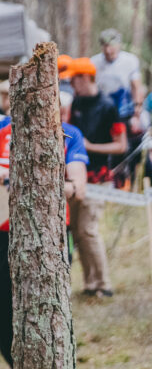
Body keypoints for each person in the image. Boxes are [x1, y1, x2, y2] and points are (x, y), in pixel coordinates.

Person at [0, 91, 89, 369]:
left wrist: (33, 182)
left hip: (52, 238)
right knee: (6, 326)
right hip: (8, 235)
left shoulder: (69, 133)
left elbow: (78, 188)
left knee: (49, 319)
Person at [67, 57, 127, 297]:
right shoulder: (76, 103)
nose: (72, 85)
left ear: (85, 78)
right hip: (76, 177)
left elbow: (120, 145)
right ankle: (90, 283)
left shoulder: (108, 106)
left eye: (74, 80)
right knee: (77, 232)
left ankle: (104, 283)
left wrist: (90, 146)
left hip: (98, 178)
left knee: (88, 230)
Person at [91, 28, 146, 187]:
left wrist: (137, 112)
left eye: (112, 46)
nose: (109, 50)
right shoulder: (94, 62)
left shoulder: (130, 61)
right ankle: (103, 178)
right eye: (105, 46)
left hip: (124, 112)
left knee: (125, 147)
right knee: (104, 143)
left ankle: (125, 181)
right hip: (103, 113)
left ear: (119, 45)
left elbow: (136, 86)